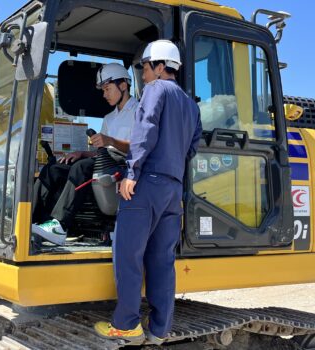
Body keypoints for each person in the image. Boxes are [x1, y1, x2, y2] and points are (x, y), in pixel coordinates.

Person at [94, 40, 202, 344]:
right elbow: (192, 147)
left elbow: (146, 129)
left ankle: (127, 324)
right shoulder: (191, 105)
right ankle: (159, 329)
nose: (142, 74)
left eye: (144, 67)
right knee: (161, 260)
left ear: (159, 66)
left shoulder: (156, 90)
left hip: (146, 185)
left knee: (128, 255)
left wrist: (132, 172)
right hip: (173, 188)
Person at [32, 63, 138, 245]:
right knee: (54, 169)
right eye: (103, 90)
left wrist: (110, 141)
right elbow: (101, 152)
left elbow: (139, 148)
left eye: (107, 89)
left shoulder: (140, 111)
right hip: (103, 161)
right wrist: (82, 153)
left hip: (123, 166)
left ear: (123, 85)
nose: (104, 95)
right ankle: (31, 221)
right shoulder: (109, 118)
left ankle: (59, 225)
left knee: (81, 168)